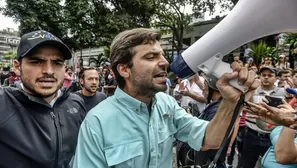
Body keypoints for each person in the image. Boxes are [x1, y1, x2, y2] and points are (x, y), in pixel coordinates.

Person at [73, 28, 259, 168]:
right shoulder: (96, 123)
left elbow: (210, 139)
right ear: (124, 69)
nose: (164, 62)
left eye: (161, 55)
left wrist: (229, 102)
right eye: (151, 56)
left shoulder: (166, 103)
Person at [0, 30, 87, 168]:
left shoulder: (76, 103)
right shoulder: (3, 103)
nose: (49, 71)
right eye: (36, 61)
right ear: (17, 66)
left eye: (57, 63)